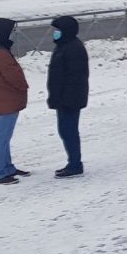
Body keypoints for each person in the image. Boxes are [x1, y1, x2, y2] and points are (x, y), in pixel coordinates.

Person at [0, 17, 32, 185]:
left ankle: (7, 167)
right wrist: (23, 86)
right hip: (6, 99)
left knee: (4, 137)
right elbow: (13, 74)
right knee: (2, 138)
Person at [46, 15, 89, 178]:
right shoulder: (63, 45)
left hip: (70, 100)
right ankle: (73, 162)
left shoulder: (73, 48)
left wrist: (66, 99)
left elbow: (75, 78)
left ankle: (75, 164)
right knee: (65, 131)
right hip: (63, 98)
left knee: (68, 131)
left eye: (57, 30)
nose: (54, 33)